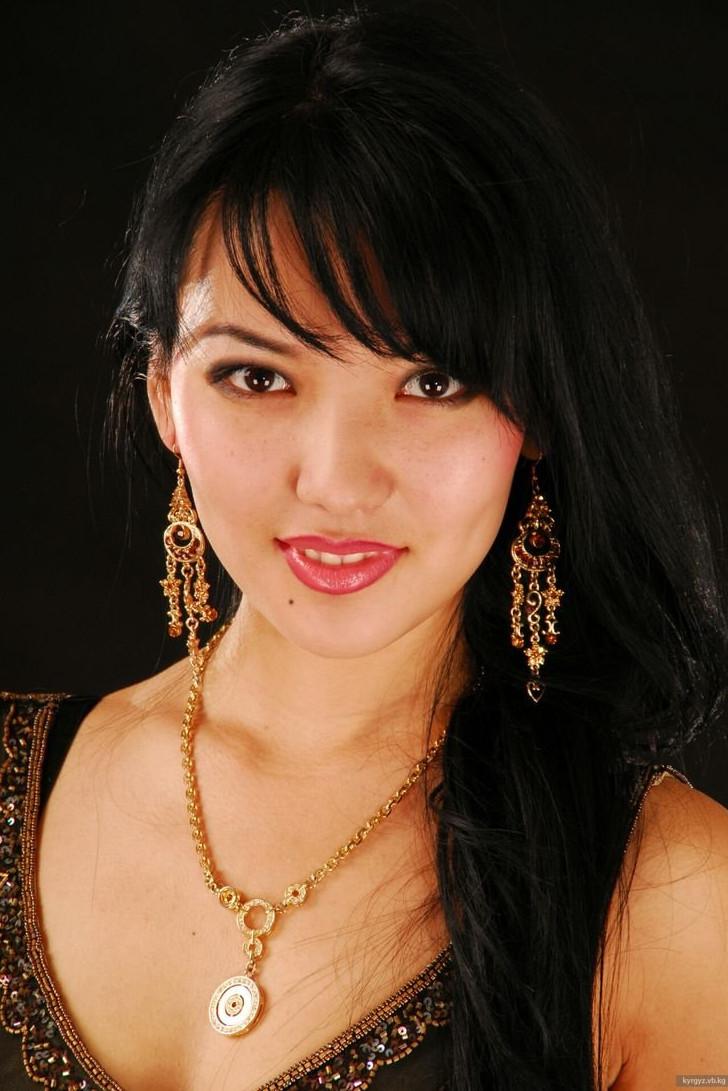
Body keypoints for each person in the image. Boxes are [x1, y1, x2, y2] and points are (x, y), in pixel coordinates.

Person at [1, 7, 727, 1090]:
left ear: (535, 410)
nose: (337, 481)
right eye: (257, 376)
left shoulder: (676, 898)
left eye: (431, 381)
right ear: (163, 396)